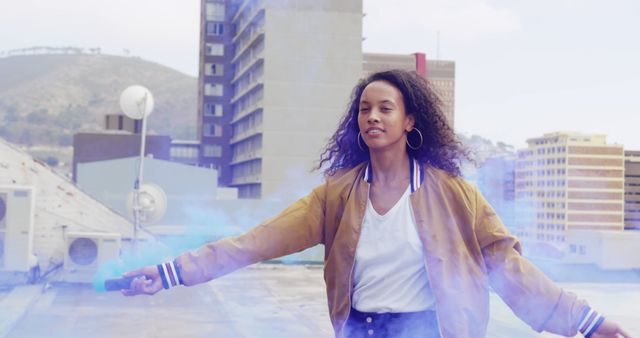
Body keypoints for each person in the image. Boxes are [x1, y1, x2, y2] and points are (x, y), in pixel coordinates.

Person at [122, 70, 631, 338]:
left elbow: (510, 269)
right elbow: (254, 244)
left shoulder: (453, 194)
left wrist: (582, 324)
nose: (373, 117)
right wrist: (171, 273)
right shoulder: (337, 195)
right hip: (362, 332)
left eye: (385, 108)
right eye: (364, 109)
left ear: (410, 120)